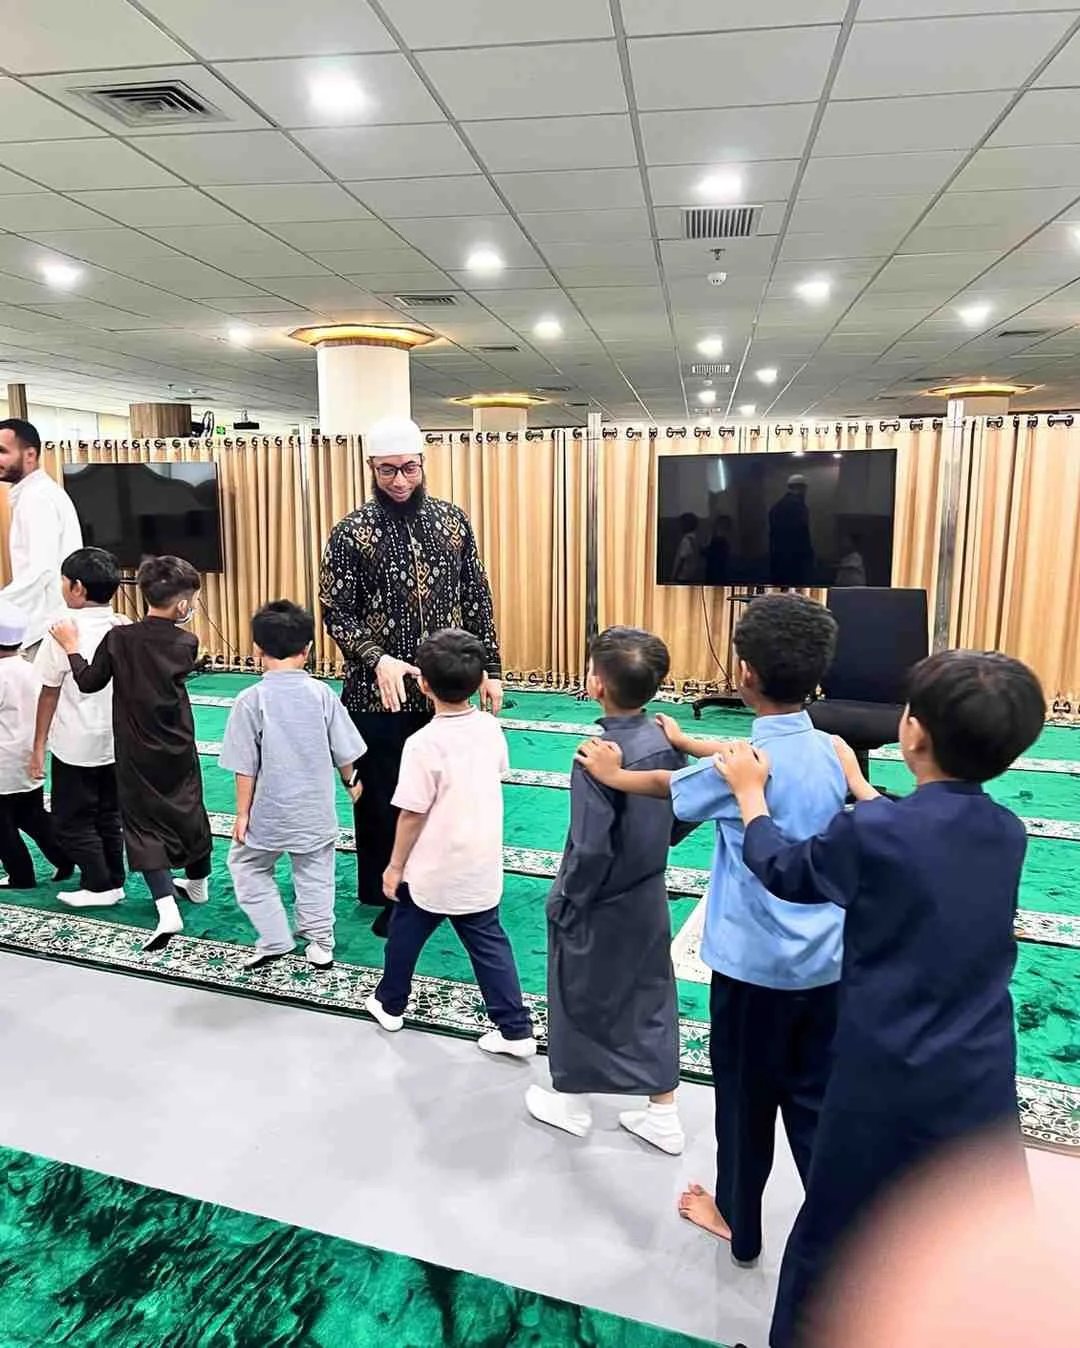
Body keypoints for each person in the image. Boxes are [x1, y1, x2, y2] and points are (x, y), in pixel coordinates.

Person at [715, 648, 1046, 1348]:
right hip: (980, 1068)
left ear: (913, 732)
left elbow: (785, 869)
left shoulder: (875, 832)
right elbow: (925, 842)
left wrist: (750, 797)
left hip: (885, 1071)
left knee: (835, 1232)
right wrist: (863, 789)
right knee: (959, 1227)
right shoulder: (1006, 832)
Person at [578, 594, 846, 1264]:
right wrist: (689, 739)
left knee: (744, 1108)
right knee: (816, 1106)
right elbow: (736, 755)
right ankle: (842, 1238)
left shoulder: (736, 770)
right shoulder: (836, 750)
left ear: (744, 673)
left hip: (754, 971)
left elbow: (675, 790)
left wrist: (617, 771)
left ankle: (739, 1225)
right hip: (828, 968)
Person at [319, 416, 503, 939]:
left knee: (446, 793)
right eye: (387, 471)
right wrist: (377, 658)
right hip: (379, 692)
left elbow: (477, 598)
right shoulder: (351, 531)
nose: (399, 480)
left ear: (423, 465)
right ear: (370, 469)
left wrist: (489, 668)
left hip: (447, 689)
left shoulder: (452, 522)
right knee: (382, 796)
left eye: (408, 469)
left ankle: (441, 885)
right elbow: (337, 610)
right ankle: (387, 891)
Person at [527, 626, 690, 1155]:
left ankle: (571, 1102)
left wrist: (569, 898)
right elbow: (685, 809)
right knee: (650, 993)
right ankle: (662, 1112)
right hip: (648, 892)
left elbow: (591, 847)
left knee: (577, 995)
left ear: (596, 684)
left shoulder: (597, 757)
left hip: (599, 899)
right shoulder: (668, 741)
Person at [365, 628, 535, 1058]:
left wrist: (394, 866)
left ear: (422, 683)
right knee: (489, 942)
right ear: (481, 683)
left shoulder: (422, 743)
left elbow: (412, 812)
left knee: (405, 929)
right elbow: (496, 773)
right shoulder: (489, 728)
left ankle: (390, 1003)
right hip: (479, 862)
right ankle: (515, 1028)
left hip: (433, 870)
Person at [50, 556, 212, 952]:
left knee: (142, 825)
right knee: (189, 808)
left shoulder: (120, 639)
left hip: (136, 749)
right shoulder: (186, 642)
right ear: (182, 606)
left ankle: (166, 908)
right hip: (177, 743)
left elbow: (89, 682)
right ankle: (198, 883)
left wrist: (72, 648)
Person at [220, 601, 366, 971]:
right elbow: (344, 751)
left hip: (267, 813)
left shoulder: (250, 700)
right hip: (314, 812)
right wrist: (350, 782)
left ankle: (274, 936)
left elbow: (244, 767)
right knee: (316, 873)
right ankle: (320, 942)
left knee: (248, 867)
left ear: (257, 650)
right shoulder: (323, 695)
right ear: (308, 650)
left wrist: (241, 813)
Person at [30, 547, 129, 908]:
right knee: (109, 813)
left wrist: (39, 744)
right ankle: (113, 880)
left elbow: (48, 694)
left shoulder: (62, 630)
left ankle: (99, 884)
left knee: (72, 821)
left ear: (76, 588)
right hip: (117, 741)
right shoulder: (123, 626)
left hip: (76, 744)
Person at [0, 598, 72, 889]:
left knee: (2, 826)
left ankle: (21, 876)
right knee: (33, 815)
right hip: (32, 756)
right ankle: (65, 858)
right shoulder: (32, 668)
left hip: (3, 763)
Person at [0, 418, 83, 654]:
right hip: (45, 625)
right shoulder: (36, 493)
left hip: (42, 628)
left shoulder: (36, 498)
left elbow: (40, 572)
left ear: (30, 455)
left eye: (2, 451)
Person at [768, 473, 814, 587]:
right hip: (794, 560)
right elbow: (803, 533)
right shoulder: (798, 506)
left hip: (777, 557)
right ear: (801, 488)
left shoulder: (777, 506)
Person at [672, 512, 702, 583]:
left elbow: (681, 560)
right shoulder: (695, 539)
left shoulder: (686, 540)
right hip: (691, 575)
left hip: (682, 576)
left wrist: (674, 576)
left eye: (681, 524)